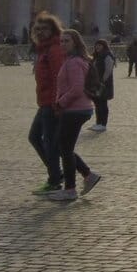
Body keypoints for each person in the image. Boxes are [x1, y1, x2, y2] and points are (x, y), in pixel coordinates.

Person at [47, 28, 102, 201]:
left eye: (67, 41)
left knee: (63, 148)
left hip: (74, 109)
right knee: (63, 147)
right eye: (61, 41)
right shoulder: (74, 60)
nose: (63, 44)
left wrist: (60, 103)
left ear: (76, 43)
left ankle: (71, 188)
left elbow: (77, 88)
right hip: (78, 109)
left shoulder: (74, 62)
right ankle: (87, 175)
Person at [28, 13, 65, 195]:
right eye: (38, 29)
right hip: (44, 101)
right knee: (37, 138)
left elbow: (59, 77)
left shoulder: (54, 50)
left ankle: (55, 179)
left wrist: (56, 103)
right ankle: (59, 174)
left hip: (51, 103)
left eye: (45, 29)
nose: (41, 32)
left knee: (49, 142)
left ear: (53, 30)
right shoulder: (43, 48)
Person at [89, 37, 116, 131]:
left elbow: (108, 70)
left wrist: (102, 81)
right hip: (96, 83)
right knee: (97, 103)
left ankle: (103, 124)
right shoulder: (96, 56)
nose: (97, 47)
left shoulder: (107, 55)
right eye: (96, 45)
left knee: (103, 104)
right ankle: (98, 123)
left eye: (99, 45)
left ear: (104, 46)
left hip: (103, 84)